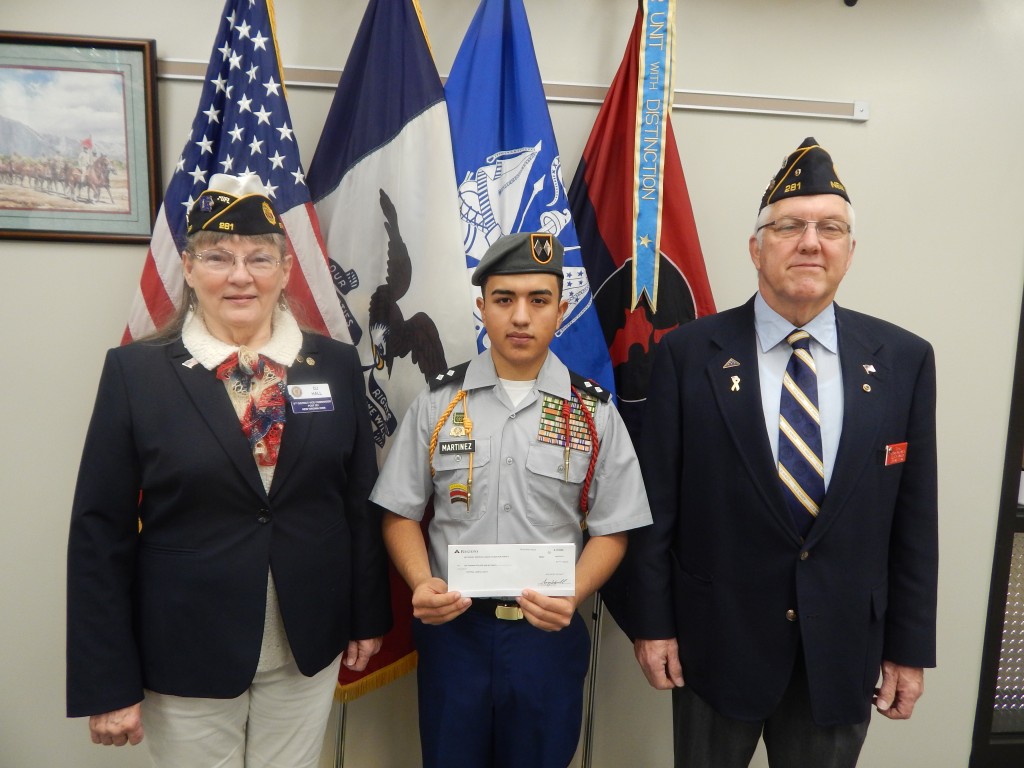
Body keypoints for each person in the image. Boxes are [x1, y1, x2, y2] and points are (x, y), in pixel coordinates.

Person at [627, 137, 938, 767]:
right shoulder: (687, 355)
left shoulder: (903, 360)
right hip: (716, 643)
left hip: (844, 649)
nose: (810, 241)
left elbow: (915, 518)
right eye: (790, 225)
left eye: (831, 228)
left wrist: (908, 646)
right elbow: (655, 506)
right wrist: (651, 624)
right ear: (756, 247)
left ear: (850, 250)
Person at [66, 173, 392, 767]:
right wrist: (106, 680)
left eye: (259, 257)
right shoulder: (135, 375)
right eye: (218, 257)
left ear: (286, 269)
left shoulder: (338, 366)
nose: (240, 275)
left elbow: (356, 502)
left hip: (306, 641)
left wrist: (367, 614)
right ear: (188, 269)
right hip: (186, 645)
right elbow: (99, 533)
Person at [371, 232, 652, 768]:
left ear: (561, 309)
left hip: (547, 637)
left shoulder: (593, 413)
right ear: (482, 308)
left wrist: (572, 593)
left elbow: (615, 528)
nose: (520, 316)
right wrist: (419, 582)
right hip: (455, 635)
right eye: (504, 300)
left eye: (538, 300)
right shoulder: (437, 403)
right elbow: (398, 512)